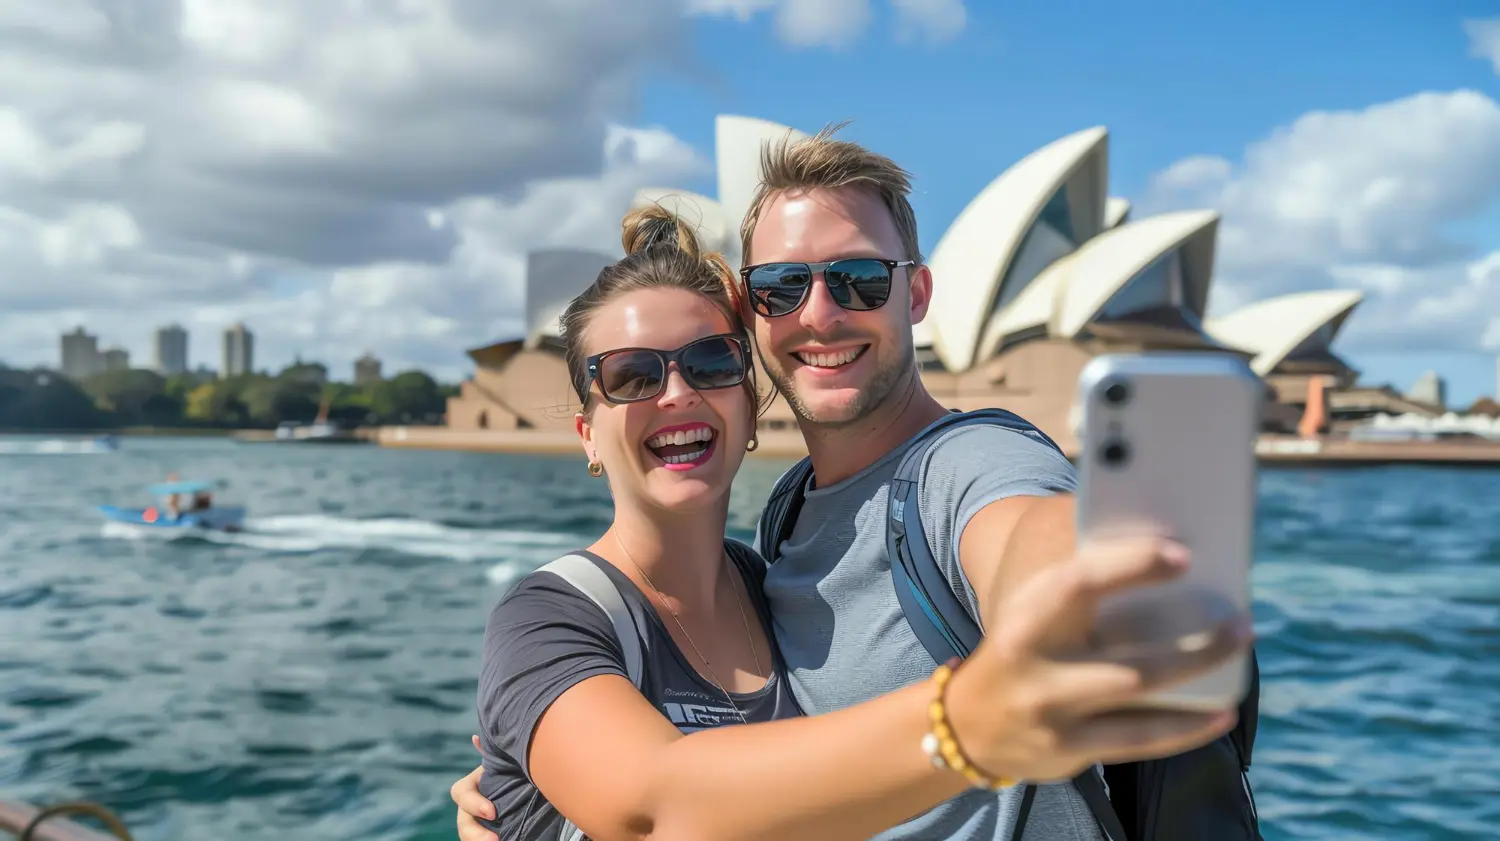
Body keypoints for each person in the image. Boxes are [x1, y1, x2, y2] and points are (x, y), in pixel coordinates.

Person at [456, 134, 1256, 841]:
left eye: (860, 279)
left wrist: (1080, 597)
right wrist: (531, 794)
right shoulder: (776, 541)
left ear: (914, 293)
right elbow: (653, 804)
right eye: (781, 287)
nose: (820, 313)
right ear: (587, 431)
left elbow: (1018, 528)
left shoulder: (965, 462)